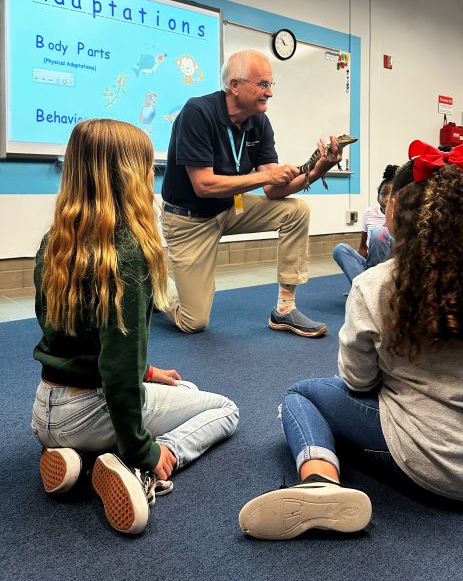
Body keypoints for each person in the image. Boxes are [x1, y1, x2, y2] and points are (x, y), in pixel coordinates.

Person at [238, 139, 463, 540]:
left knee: (302, 396)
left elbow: (358, 382)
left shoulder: (375, 285)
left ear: (393, 209)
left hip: (437, 469)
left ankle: (320, 481)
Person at [32, 119, 239, 535]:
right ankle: (138, 467)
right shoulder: (129, 253)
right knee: (223, 409)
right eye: (148, 166)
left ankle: (75, 458)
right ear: (128, 175)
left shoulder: (55, 239)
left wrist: (148, 372)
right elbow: (117, 375)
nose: (152, 176)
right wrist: (144, 450)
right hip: (92, 408)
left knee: (177, 390)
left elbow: (73, 338)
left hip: (44, 409)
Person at [161, 49, 345, 337]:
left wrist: (319, 168)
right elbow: (204, 185)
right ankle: (159, 290)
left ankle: (285, 309)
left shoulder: (258, 121)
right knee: (193, 322)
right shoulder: (198, 113)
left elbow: (273, 190)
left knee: (296, 210)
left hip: (230, 208)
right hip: (189, 220)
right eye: (262, 84)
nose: (269, 93)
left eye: (271, 85)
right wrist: (265, 175)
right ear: (234, 85)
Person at [332, 164, 399, 285]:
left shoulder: (402, 214)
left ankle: (371, 287)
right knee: (340, 249)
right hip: (370, 264)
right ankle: (362, 286)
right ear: (377, 196)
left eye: (391, 195)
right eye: (383, 194)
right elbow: (363, 248)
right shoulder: (369, 213)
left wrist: (391, 212)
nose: (387, 199)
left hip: (389, 267)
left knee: (380, 232)